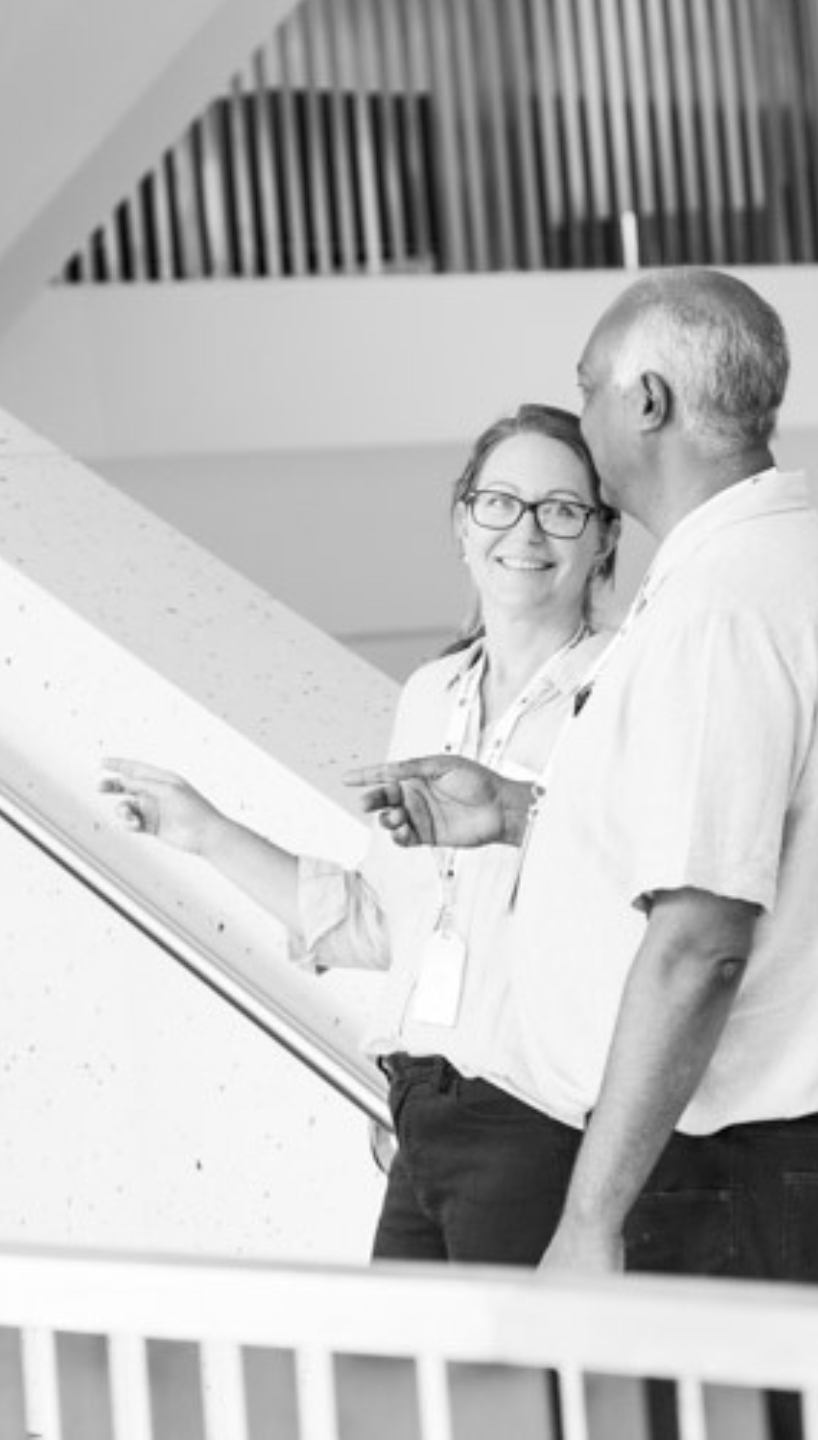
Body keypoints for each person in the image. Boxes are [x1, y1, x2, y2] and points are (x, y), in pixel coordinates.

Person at [348, 269, 818, 1313]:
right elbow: (725, 836)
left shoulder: (721, 605)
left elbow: (702, 939)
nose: (586, 413)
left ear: (647, 401)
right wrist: (521, 814)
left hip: (726, 1169)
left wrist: (591, 1217)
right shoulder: (770, 566)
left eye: (589, 385)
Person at [100, 403, 620, 1263]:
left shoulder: (624, 689)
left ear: (604, 538)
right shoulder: (431, 694)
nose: (526, 531)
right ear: (462, 523)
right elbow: (381, 922)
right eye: (500, 502)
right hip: (418, 1110)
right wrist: (205, 832)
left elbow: (642, 888)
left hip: (544, 1120)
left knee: (511, 1359)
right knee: (394, 1355)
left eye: (562, 509)